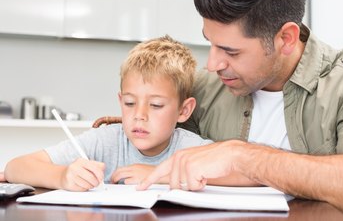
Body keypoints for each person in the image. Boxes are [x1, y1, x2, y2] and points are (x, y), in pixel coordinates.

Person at [137, 0, 343, 218]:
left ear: (286, 38)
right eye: (210, 42)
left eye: (230, 51)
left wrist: (242, 157)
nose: (212, 64)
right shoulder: (202, 91)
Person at [4, 35, 213, 191]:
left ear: (183, 111)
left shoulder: (191, 149)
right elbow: (16, 167)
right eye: (130, 103)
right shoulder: (104, 141)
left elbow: (243, 173)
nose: (139, 115)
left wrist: (161, 175)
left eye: (156, 105)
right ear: (121, 101)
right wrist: (63, 176)